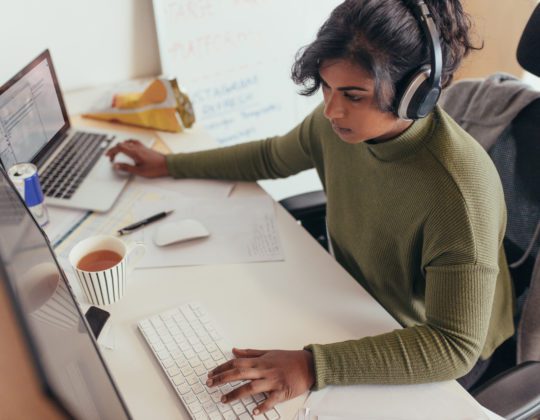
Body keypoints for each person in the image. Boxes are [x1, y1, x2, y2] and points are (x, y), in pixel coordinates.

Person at [106, 0, 515, 416]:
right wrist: (169, 164)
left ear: (416, 93)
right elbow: (269, 157)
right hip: (354, 300)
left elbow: (453, 345)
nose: (331, 110)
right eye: (326, 87)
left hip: (425, 345)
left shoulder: (459, 195)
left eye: (353, 95)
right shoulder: (337, 127)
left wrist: (312, 365)